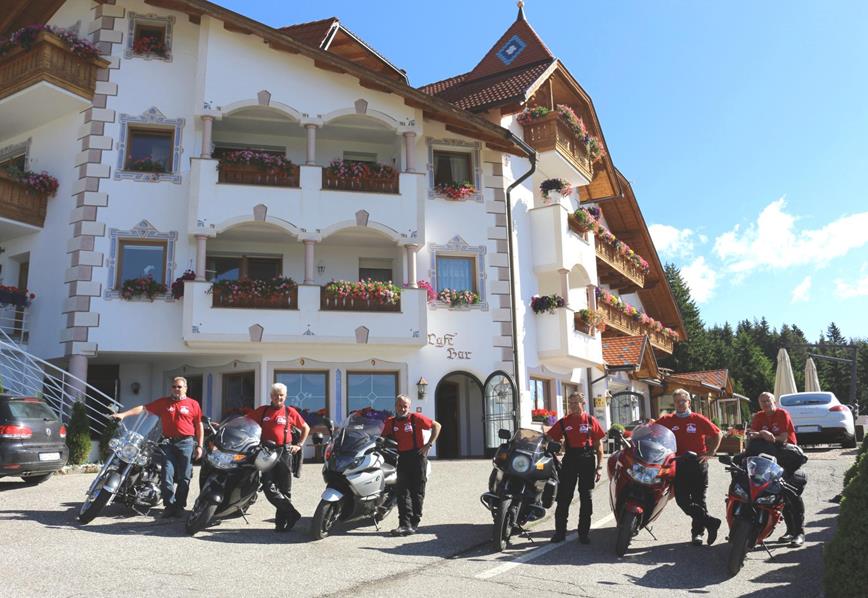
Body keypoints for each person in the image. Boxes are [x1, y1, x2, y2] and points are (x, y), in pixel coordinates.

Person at [113, 377, 204, 517]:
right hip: (168, 443)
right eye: (174, 386)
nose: (176, 389)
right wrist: (123, 414)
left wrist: (200, 446)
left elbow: (198, 425)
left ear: (185, 388)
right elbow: (143, 409)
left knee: (184, 477)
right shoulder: (164, 402)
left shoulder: (193, 404)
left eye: (179, 387)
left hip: (186, 443)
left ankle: (180, 507)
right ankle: (169, 506)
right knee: (166, 474)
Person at [656, 388, 723, 546]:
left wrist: (710, 452)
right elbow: (652, 429)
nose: (680, 404)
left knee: (699, 499)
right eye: (677, 401)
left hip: (697, 464)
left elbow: (717, 434)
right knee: (682, 500)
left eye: (683, 401)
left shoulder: (697, 419)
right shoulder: (667, 420)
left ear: (688, 402)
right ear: (674, 403)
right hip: (678, 464)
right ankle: (711, 523)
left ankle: (697, 534)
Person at [248, 383, 310, 532]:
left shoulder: (290, 412)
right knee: (269, 487)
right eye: (276, 395)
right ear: (271, 396)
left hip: (284, 452)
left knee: (285, 489)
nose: (278, 398)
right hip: (266, 452)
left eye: (281, 395)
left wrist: (299, 445)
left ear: (285, 396)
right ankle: (293, 514)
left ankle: (281, 524)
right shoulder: (263, 411)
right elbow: (247, 422)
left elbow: (305, 427)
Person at [747, 391, 806, 547]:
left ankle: (799, 532)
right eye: (762, 401)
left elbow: (783, 438)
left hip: (788, 458)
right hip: (769, 459)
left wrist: (767, 436)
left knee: (789, 492)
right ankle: (789, 530)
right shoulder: (759, 416)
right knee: (774, 494)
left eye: (768, 400)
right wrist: (762, 433)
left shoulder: (782, 413)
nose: (766, 403)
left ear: (774, 402)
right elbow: (751, 435)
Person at [545, 392, 605, 544]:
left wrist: (599, 467)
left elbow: (599, 447)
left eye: (575, 403)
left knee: (586, 498)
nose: (572, 406)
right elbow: (550, 438)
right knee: (564, 497)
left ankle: (583, 534)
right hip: (570, 460)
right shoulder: (564, 422)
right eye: (569, 403)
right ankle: (560, 533)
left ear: (582, 403)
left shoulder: (591, 420)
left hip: (587, 460)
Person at [381, 394, 441, 536]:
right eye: (400, 406)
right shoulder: (391, 422)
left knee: (417, 492)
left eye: (405, 406)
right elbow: (382, 437)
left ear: (409, 407)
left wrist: (429, 444)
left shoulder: (416, 418)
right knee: (402, 492)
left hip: (418, 457)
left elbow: (437, 425)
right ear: (395, 406)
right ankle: (404, 524)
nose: (402, 408)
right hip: (402, 458)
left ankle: (414, 523)